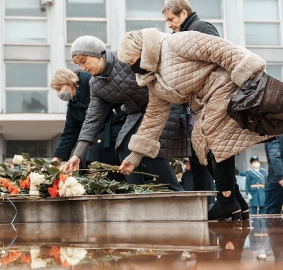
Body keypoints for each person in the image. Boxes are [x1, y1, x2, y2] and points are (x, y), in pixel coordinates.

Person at [117, 28, 271, 220]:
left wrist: (253, 78)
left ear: (142, 50)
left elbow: (221, 49)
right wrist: (134, 157)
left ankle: (226, 200)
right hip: (205, 102)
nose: (132, 67)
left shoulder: (176, 42)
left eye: (132, 60)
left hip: (226, 86)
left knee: (213, 134)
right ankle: (236, 201)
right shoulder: (153, 78)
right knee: (200, 144)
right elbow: (154, 116)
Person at [63, 35, 189, 191]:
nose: (83, 68)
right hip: (136, 112)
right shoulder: (95, 84)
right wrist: (78, 154)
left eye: (84, 62)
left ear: (99, 54)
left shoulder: (125, 59)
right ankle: (137, 191)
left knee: (145, 146)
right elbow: (92, 119)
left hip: (165, 103)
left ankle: (175, 192)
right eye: (78, 64)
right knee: (124, 145)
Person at [162, 0, 217, 208]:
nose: (169, 24)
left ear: (184, 13)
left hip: (207, 103)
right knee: (198, 157)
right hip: (194, 105)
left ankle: (219, 202)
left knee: (208, 156)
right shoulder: (177, 36)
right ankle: (209, 204)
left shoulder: (202, 28)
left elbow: (215, 62)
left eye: (171, 19)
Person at [50, 68, 125, 181]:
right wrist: (55, 162)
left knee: (94, 156)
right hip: (95, 136)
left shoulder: (91, 83)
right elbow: (69, 133)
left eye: (59, 89)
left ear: (68, 83)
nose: (59, 93)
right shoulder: (73, 105)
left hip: (114, 129)